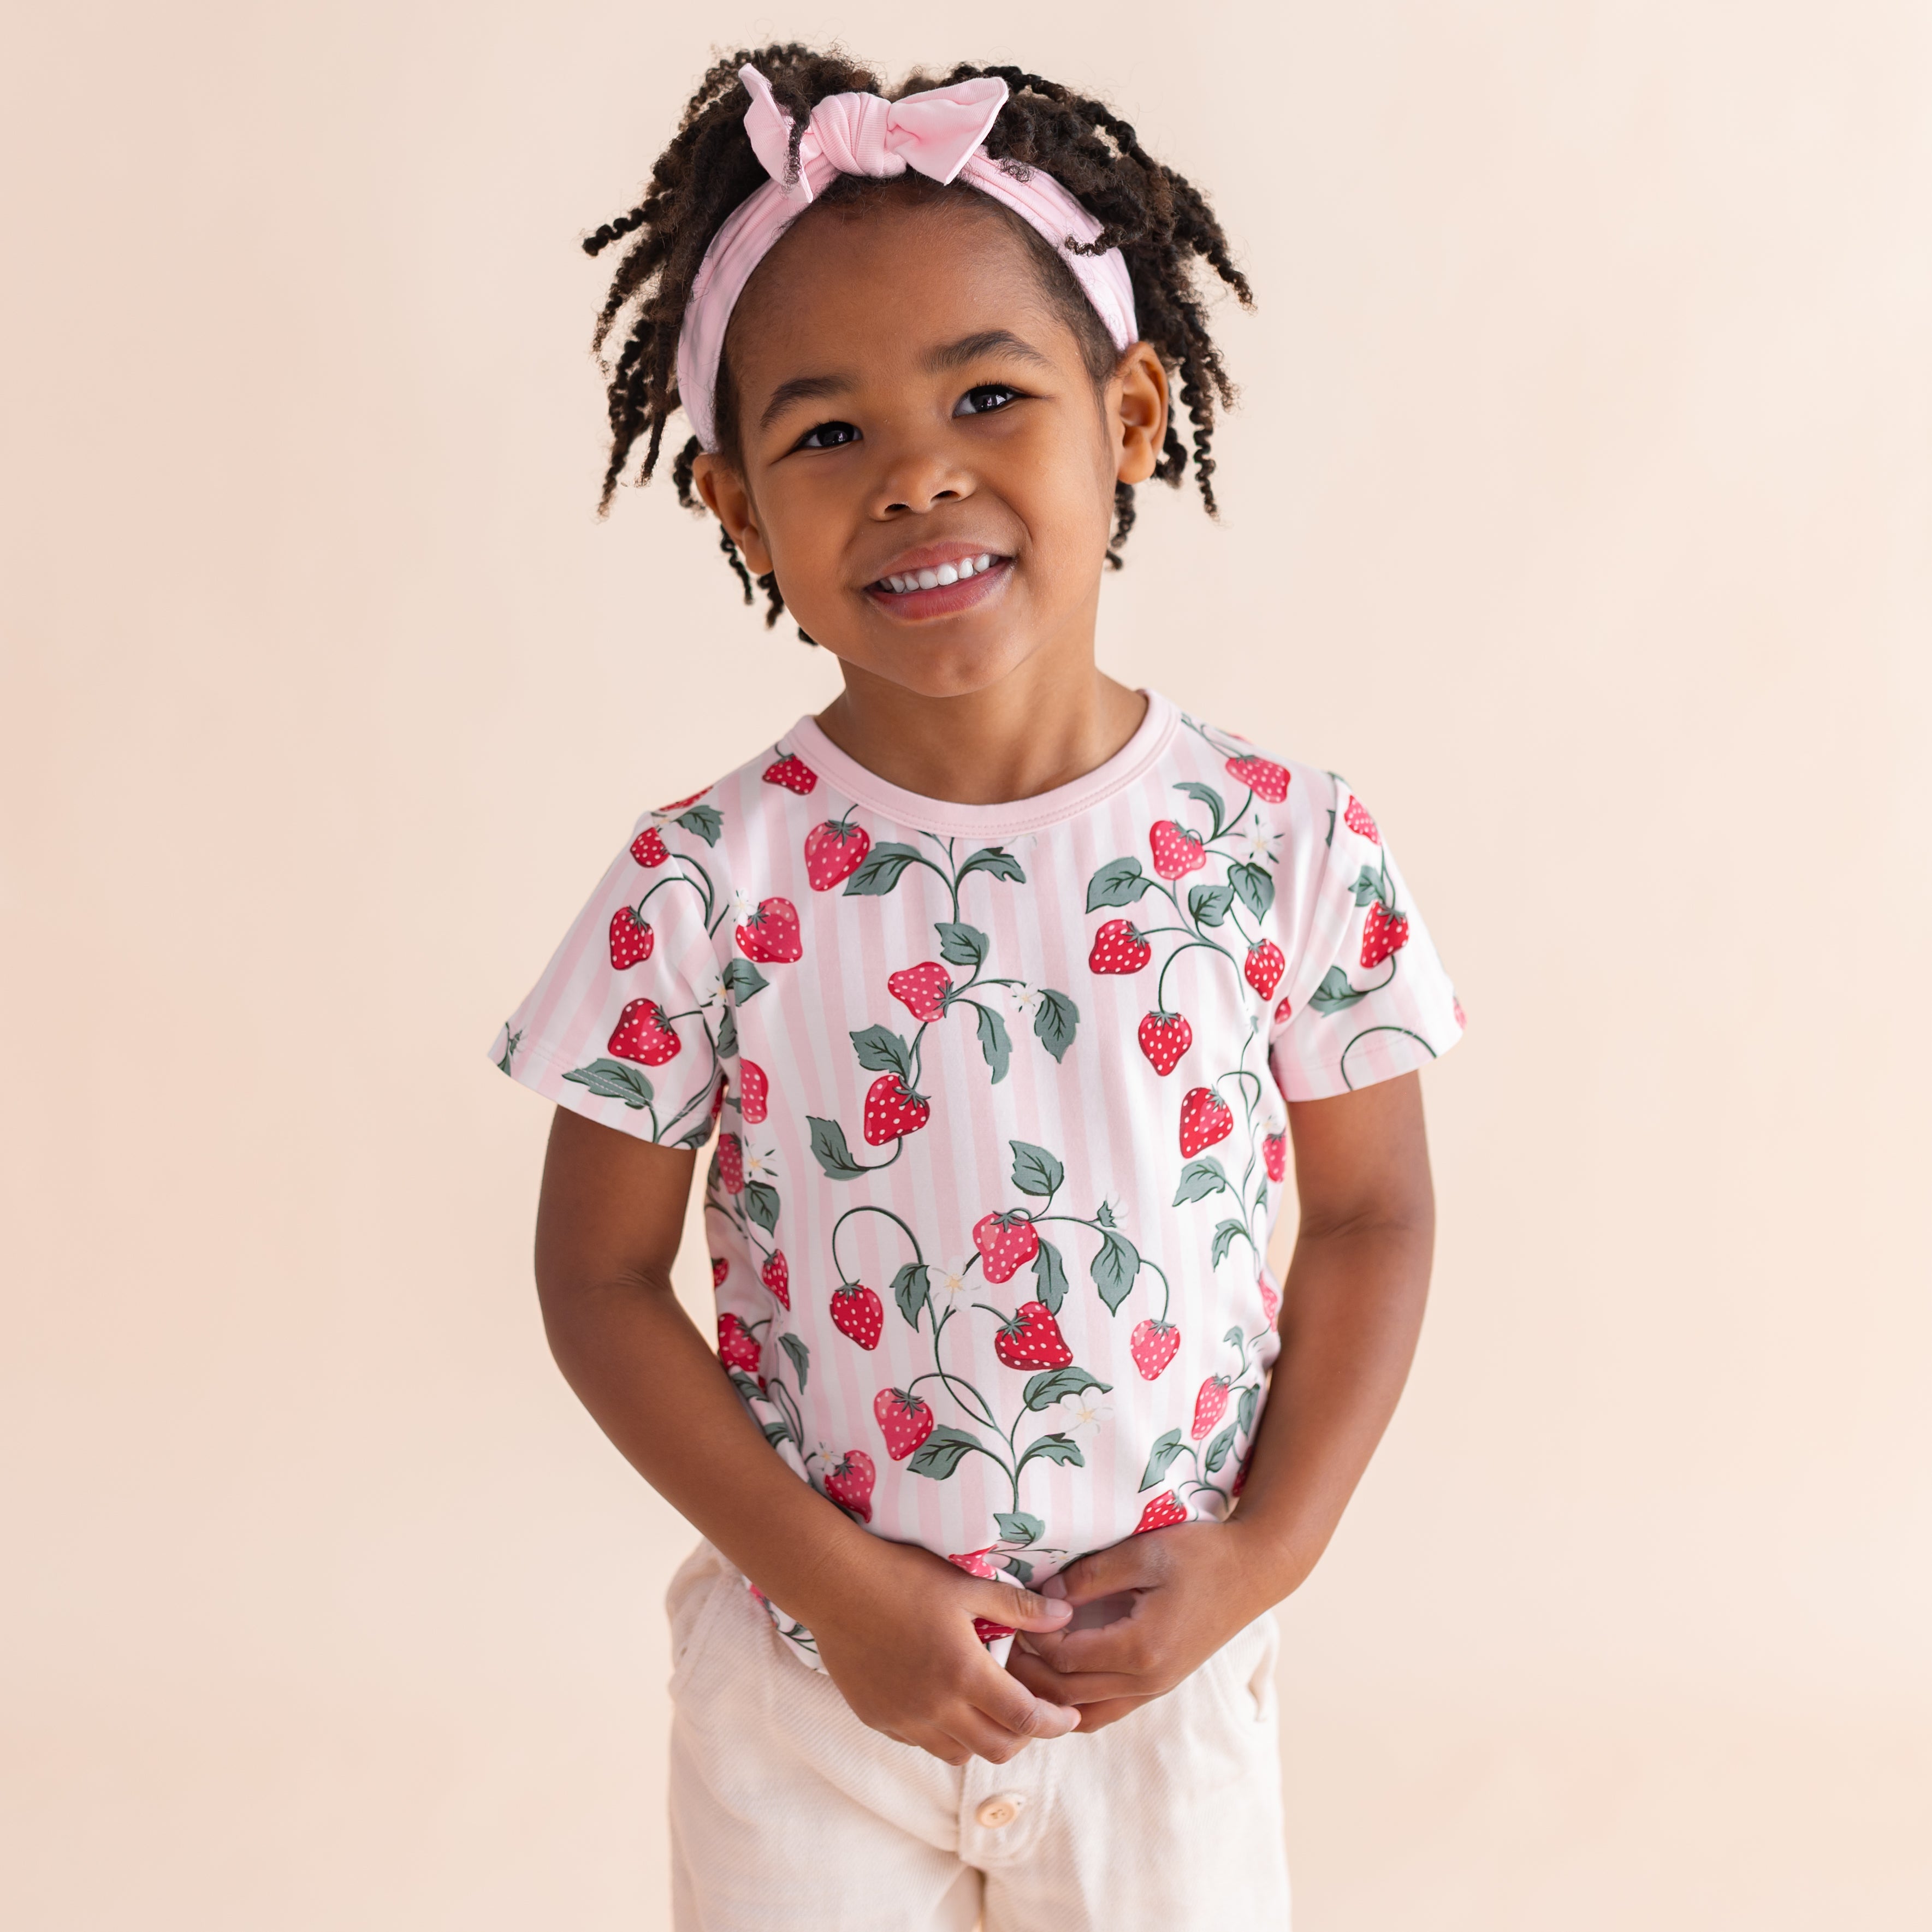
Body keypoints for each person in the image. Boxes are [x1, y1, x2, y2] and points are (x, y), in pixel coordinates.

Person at [491, 44, 1462, 1931]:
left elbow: (1372, 1210)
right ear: (735, 506)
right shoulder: (702, 881)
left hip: (1151, 1683)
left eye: (988, 396)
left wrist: (1261, 1552)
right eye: (826, 433)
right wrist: (837, 1591)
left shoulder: (1280, 842)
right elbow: (594, 1277)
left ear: (1131, 412)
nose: (916, 472)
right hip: (807, 1690)